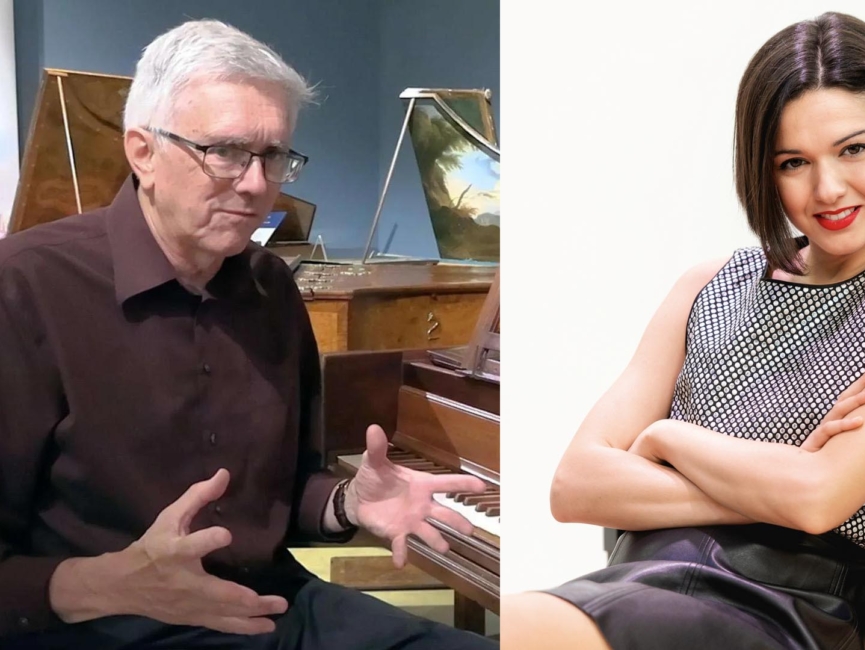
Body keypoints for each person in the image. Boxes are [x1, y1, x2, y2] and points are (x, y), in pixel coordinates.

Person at [0, 19, 497, 650]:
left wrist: (349, 502)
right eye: (225, 152)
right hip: (95, 629)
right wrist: (105, 585)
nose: (258, 185)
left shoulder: (271, 286)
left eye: (275, 156)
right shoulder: (22, 288)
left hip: (271, 606)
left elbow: (280, 496)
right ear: (142, 152)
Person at [502, 11, 865, 650]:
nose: (828, 188)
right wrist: (780, 484)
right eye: (793, 162)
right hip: (637, 577)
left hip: (778, 605)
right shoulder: (707, 283)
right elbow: (576, 487)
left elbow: (818, 502)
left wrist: (666, 436)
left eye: (855, 148)